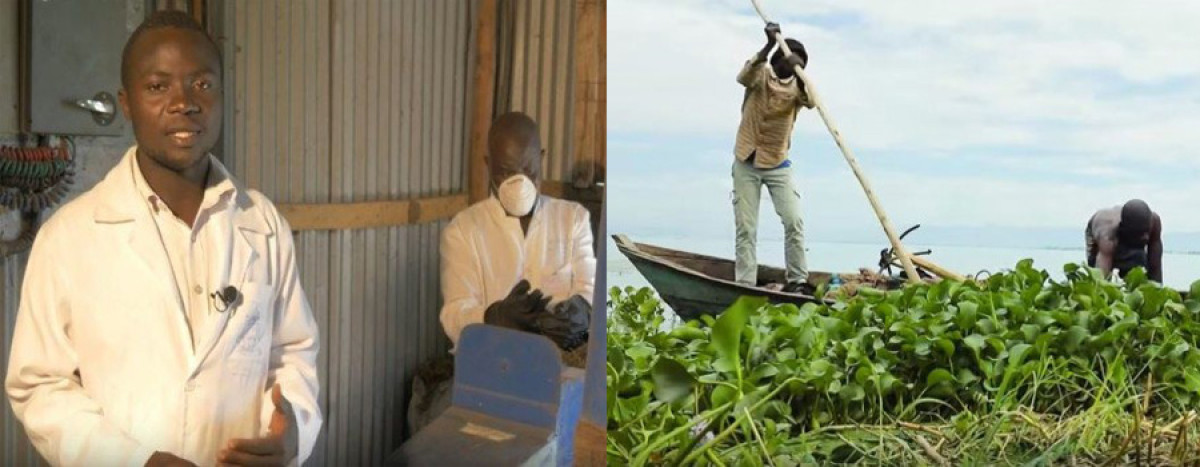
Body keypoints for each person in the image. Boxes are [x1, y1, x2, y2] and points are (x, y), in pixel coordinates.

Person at [5, 11, 321, 467]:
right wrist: (133, 461)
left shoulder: (263, 225)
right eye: (158, 87)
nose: (184, 103)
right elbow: (38, 385)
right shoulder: (68, 238)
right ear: (127, 103)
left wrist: (295, 432)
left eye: (203, 85)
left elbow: (292, 352)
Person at [409, 112, 594, 434]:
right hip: (493, 373)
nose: (518, 181)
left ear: (543, 159)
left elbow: (590, 288)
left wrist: (581, 313)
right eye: (506, 171)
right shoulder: (464, 230)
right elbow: (454, 315)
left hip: (563, 374)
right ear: (487, 164)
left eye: (528, 169)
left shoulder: (572, 219)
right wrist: (494, 317)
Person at [732, 22, 815, 295]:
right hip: (746, 160)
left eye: (793, 65)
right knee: (746, 227)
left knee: (794, 221)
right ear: (776, 62)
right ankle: (744, 283)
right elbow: (743, 76)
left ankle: (799, 280)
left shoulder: (798, 90)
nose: (786, 69)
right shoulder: (761, 76)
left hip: (778, 164)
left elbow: (812, 100)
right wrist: (768, 45)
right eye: (785, 63)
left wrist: (800, 72)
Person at [1086, 199, 1163, 282]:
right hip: (1098, 234)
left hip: (1129, 233)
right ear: (1123, 228)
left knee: (1138, 262)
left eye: (1147, 231)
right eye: (1140, 233)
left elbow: (1155, 266)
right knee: (1095, 269)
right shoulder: (1107, 237)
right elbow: (1100, 278)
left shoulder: (1154, 222)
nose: (1146, 237)